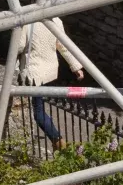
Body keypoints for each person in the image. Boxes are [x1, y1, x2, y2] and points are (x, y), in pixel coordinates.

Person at [17, 17, 84, 151]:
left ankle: (58, 141)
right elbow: (63, 46)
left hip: (35, 73)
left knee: (38, 113)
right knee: (40, 107)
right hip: (50, 72)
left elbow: (18, 47)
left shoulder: (27, 22)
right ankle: (57, 141)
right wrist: (76, 67)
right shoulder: (56, 21)